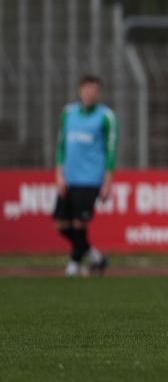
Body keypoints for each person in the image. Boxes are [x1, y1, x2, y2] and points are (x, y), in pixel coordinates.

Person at [53, 75, 117, 277]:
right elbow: (61, 145)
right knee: (61, 226)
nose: (89, 93)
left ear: (98, 93)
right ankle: (96, 257)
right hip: (69, 178)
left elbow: (111, 151)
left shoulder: (106, 116)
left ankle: (73, 265)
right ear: (80, 90)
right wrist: (59, 174)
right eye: (86, 89)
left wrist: (107, 183)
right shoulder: (68, 113)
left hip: (90, 180)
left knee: (80, 224)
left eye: (93, 90)